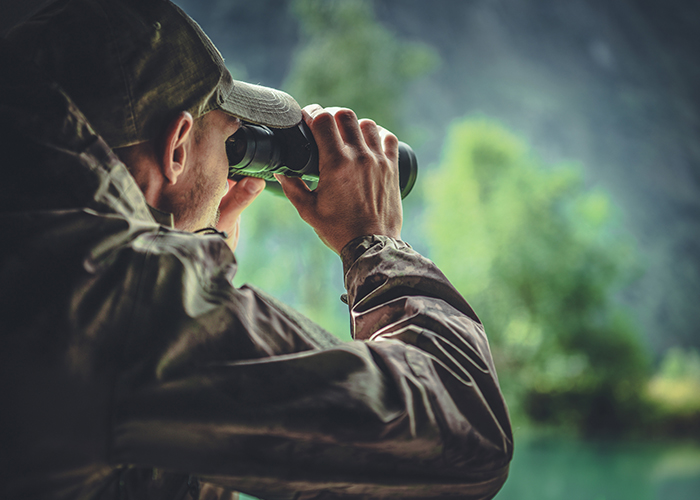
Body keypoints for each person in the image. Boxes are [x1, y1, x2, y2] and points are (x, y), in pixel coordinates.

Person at [0, 0, 513, 499]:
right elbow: (467, 438)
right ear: (177, 147)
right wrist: (375, 243)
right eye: (228, 140)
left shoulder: (39, 250)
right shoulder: (118, 295)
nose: (233, 171)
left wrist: (188, 244)